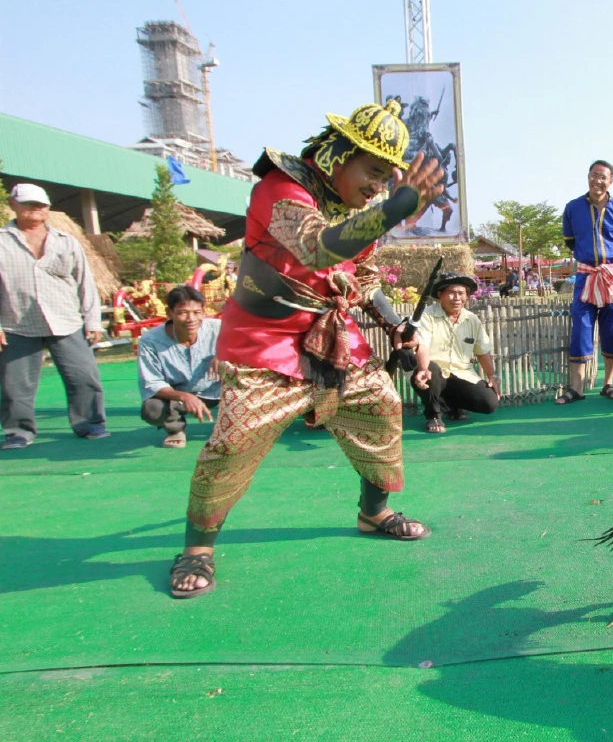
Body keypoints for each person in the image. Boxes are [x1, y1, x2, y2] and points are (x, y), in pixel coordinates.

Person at [168, 100, 445, 599]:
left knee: (380, 406)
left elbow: (361, 277)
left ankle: (373, 512)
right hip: (263, 340)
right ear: (339, 154)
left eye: (387, 180)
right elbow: (319, 247)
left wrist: (394, 320)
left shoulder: (361, 208)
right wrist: (397, 207)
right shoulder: (279, 187)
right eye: (373, 172)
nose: (378, 187)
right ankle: (198, 548)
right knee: (235, 441)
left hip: (330, 335)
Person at [0, 183, 108, 449]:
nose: (37, 209)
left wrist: (92, 320)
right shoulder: (2, 240)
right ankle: (18, 432)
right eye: (30, 204)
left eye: (42, 205)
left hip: (67, 320)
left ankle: (91, 424)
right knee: (15, 384)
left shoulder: (66, 241)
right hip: (16, 323)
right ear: (14, 204)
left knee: (84, 376)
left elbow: (85, 282)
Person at [557, 159, 613, 405]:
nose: (597, 180)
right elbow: (570, 240)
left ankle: (608, 384)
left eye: (603, 177)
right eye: (594, 175)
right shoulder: (572, 208)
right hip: (586, 275)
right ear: (588, 176)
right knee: (581, 326)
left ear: (610, 181)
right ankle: (575, 387)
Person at [412, 270, 500, 433]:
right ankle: (433, 415)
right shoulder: (427, 316)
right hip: (433, 372)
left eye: (461, 293)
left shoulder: (472, 319)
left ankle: (452, 405)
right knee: (432, 370)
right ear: (440, 294)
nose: (457, 298)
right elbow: (422, 346)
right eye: (451, 293)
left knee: (489, 403)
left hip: (461, 373)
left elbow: (482, 351)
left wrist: (492, 376)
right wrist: (423, 369)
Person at [137, 285, 221, 448]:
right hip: (177, 397)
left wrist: (225, 354)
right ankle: (175, 429)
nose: (191, 319)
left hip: (219, 392)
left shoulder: (219, 328)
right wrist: (184, 396)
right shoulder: (149, 341)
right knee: (152, 409)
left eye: (196, 313)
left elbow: (248, 346)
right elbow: (152, 383)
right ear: (170, 313)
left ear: (203, 312)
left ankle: (234, 426)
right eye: (183, 313)